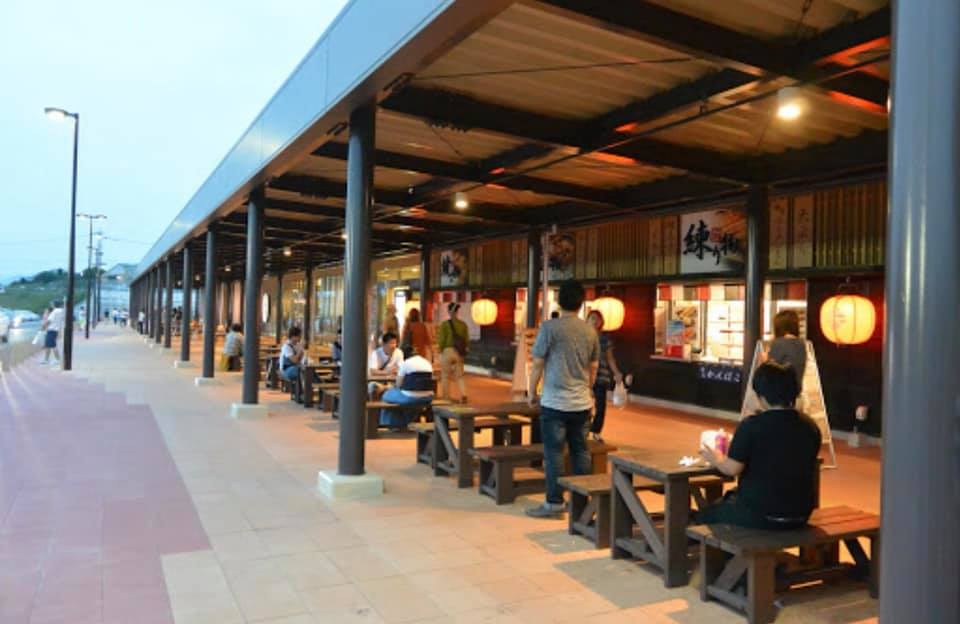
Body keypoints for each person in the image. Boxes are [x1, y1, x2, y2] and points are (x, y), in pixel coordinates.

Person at [698, 362, 822, 529]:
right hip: (800, 514)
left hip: (760, 513)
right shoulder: (809, 426)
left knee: (705, 515)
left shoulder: (751, 426)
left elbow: (732, 469)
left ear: (762, 396)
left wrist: (715, 457)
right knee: (724, 503)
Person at [526, 280, 599, 518]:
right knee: (581, 452)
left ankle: (554, 503)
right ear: (581, 303)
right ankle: (581, 505)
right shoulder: (590, 331)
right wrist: (588, 391)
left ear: (559, 301)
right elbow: (593, 367)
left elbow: (537, 364)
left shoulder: (549, 328)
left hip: (554, 403)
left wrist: (531, 391)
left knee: (554, 453)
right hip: (581, 403)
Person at [586, 309, 624, 442]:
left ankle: (596, 431)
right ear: (587, 320)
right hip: (585, 377)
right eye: (592, 318)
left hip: (601, 376)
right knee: (584, 405)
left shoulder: (604, 339)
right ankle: (584, 430)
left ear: (601, 322)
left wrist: (616, 372)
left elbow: (610, 358)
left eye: (597, 319)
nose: (594, 321)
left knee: (601, 406)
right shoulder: (582, 337)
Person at [380, 353, 435, 432]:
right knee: (405, 400)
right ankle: (406, 423)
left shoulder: (406, 363)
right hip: (427, 397)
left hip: (410, 397)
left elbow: (398, 384)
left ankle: (388, 424)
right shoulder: (427, 363)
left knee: (386, 395)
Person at [762, 310, 807, 388]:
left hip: (779, 389)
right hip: (795, 389)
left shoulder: (778, 343)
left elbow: (770, 369)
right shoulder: (801, 344)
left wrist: (765, 357)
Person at [437, 302, 469, 404]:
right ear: (457, 312)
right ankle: (463, 394)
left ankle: (446, 397)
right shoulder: (463, 325)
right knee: (460, 376)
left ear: (449, 311)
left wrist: (440, 350)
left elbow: (441, 340)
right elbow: (466, 340)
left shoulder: (445, 325)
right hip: (458, 352)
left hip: (447, 351)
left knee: (445, 376)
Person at [368, 332, 403, 399]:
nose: (394, 346)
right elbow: (373, 371)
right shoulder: (376, 353)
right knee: (372, 387)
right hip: (378, 381)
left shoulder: (399, 352)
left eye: (395, 343)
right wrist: (388, 372)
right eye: (391, 343)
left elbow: (401, 368)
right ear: (383, 344)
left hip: (392, 382)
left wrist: (382, 372)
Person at [41, 301, 64, 366]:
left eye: (52, 304)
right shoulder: (61, 311)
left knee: (53, 345)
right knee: (48, 345)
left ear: (54, 305)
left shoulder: (55, 312)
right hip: (55, 330)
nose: (51, 305)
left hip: (51, 330)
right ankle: (46, 359)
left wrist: (43, 326)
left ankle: (58, 359)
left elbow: (49, 321)